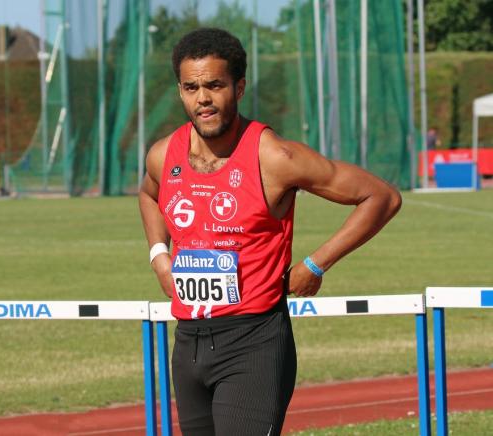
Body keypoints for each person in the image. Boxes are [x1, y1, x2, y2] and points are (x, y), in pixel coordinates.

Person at [138, 28, 402, 436]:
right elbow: (149, 194)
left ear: (239, 87)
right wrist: (159, 256)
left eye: (214, 85)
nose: (203, 98)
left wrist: (316, 264)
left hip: (253, 343)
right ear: (180, 91)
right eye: (191, 87)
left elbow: (380, 197)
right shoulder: (163, 155)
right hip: (187, 343)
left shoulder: (274, 157)